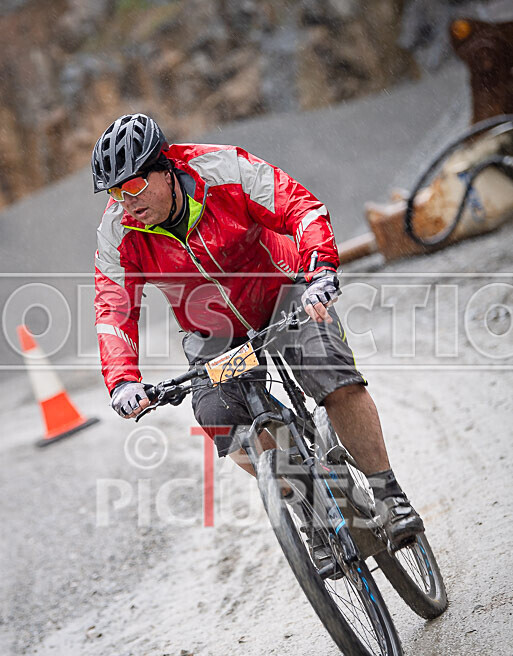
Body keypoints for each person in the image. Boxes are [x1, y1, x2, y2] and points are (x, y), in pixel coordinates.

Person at [91, 112, 424, 551]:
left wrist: (320, 270)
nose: (126, 201)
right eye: (115, 192)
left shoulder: (223, 170)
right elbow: (113, 310)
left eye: (133, 185)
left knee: (332, 375)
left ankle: (388, 494)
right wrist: (123, 381)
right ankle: (311, 508)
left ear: (165, 168)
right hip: (213, 332)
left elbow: (299, 207)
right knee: (219, 416)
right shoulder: (119, 231)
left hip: (285, 293)